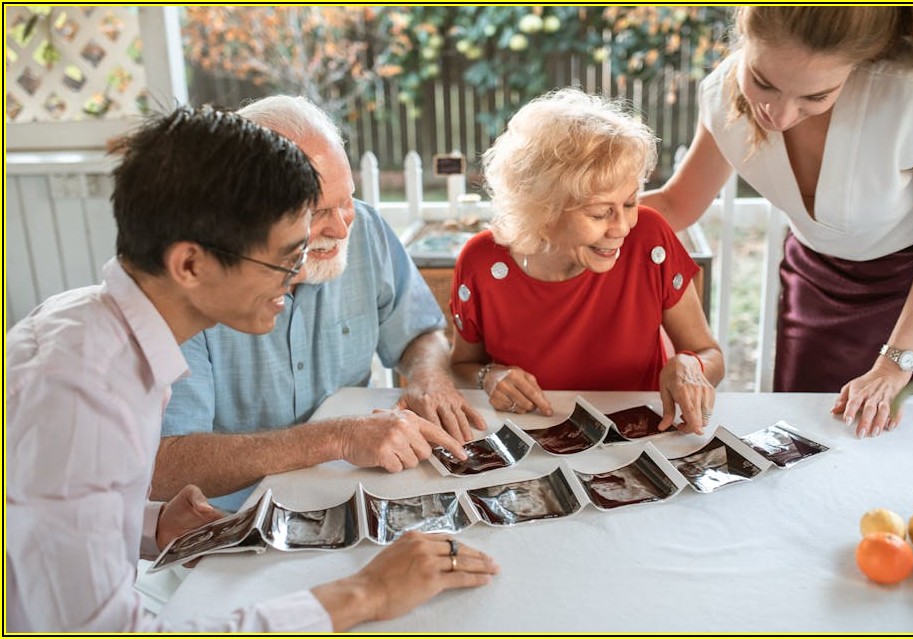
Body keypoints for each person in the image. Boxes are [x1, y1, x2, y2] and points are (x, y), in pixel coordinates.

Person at [5, 105, 498, 633]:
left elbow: (53, 520)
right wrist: (362, 594)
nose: (298, 277)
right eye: (286, 257)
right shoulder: (84, 396)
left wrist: (148, 525)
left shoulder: (110, 337)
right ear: (191, 265)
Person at [156, 95, 485, 512]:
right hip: (238, 515)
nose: (344, 224)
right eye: (318, 211)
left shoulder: (363, 227)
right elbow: (166, 463)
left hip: (358, 492)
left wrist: (428, 378)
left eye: (347, 199)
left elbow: (419, 334)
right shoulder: (195, 282)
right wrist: (339, 437)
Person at [640, 6, 913, 439]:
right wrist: (559, 214)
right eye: (763, 82)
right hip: (815, 285)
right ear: (743, 37)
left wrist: (896, 363)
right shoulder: (719, 93)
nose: (779, 116)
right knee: (805, 440)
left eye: (816, 97)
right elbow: (676, 204)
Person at [450, 88, 724, 434]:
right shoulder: (482, 263)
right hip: (534, 439)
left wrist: (690, 364)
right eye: (600, 213)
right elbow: (461, 363)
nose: (622, 228)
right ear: (543, 212)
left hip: (638, 437)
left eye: (629, 203)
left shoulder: (650, 238)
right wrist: (489, 375)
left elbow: (708, 353)